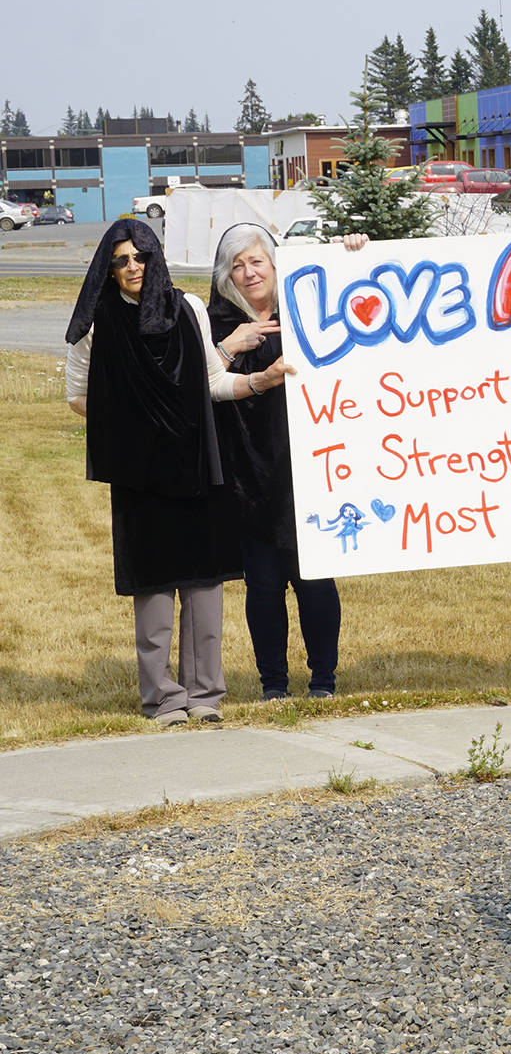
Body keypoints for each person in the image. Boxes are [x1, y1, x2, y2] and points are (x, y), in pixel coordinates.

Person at [65, 219, 285, 727]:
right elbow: (78, 396)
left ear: (154, 257)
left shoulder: (189, 309)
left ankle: (205, 693)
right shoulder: (97, 322)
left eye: (139, 256)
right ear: (109, 268)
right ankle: (163, 697)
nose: (132, 267)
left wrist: (260, 380)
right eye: (120, 260)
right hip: (140, 471)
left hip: (198, 461)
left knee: (206, 586)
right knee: (155, 586)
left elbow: (212, 380)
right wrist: (129, 421)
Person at [209, 223, 366, 700]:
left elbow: (363, 302)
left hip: (315, 468)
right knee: (263, 585)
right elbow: (195, 382)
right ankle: (273, 685)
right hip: (249, 474)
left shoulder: (309, 308)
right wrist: (231, 347)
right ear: (225, 277)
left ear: (276, 265)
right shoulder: (218, 325)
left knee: (316, 580)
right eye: (237, 265)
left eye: (256, 261)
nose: (248, 272)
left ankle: (324, 681)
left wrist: (354, 252)